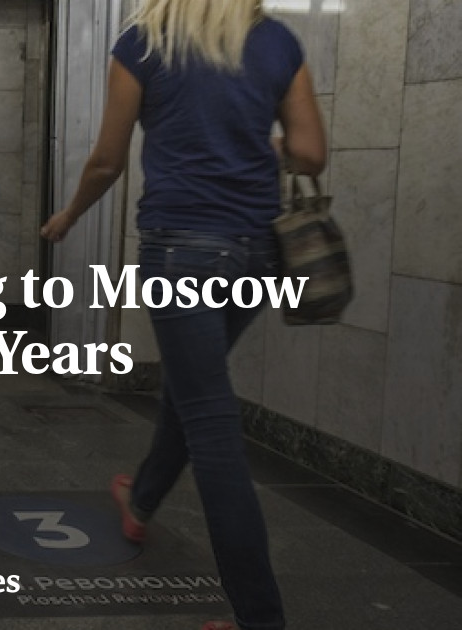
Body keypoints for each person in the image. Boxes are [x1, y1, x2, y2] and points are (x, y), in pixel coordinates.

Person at [40, 2, 325, 630]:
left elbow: (108, 160)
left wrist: (69, 215)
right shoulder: (276, 41)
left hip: (182, 252)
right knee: (196, 388)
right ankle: (140, 500)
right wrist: (262, 143)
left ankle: (260, 619)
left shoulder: (145, 42)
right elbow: (309, 152)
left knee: (212, 427)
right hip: (257, 254)